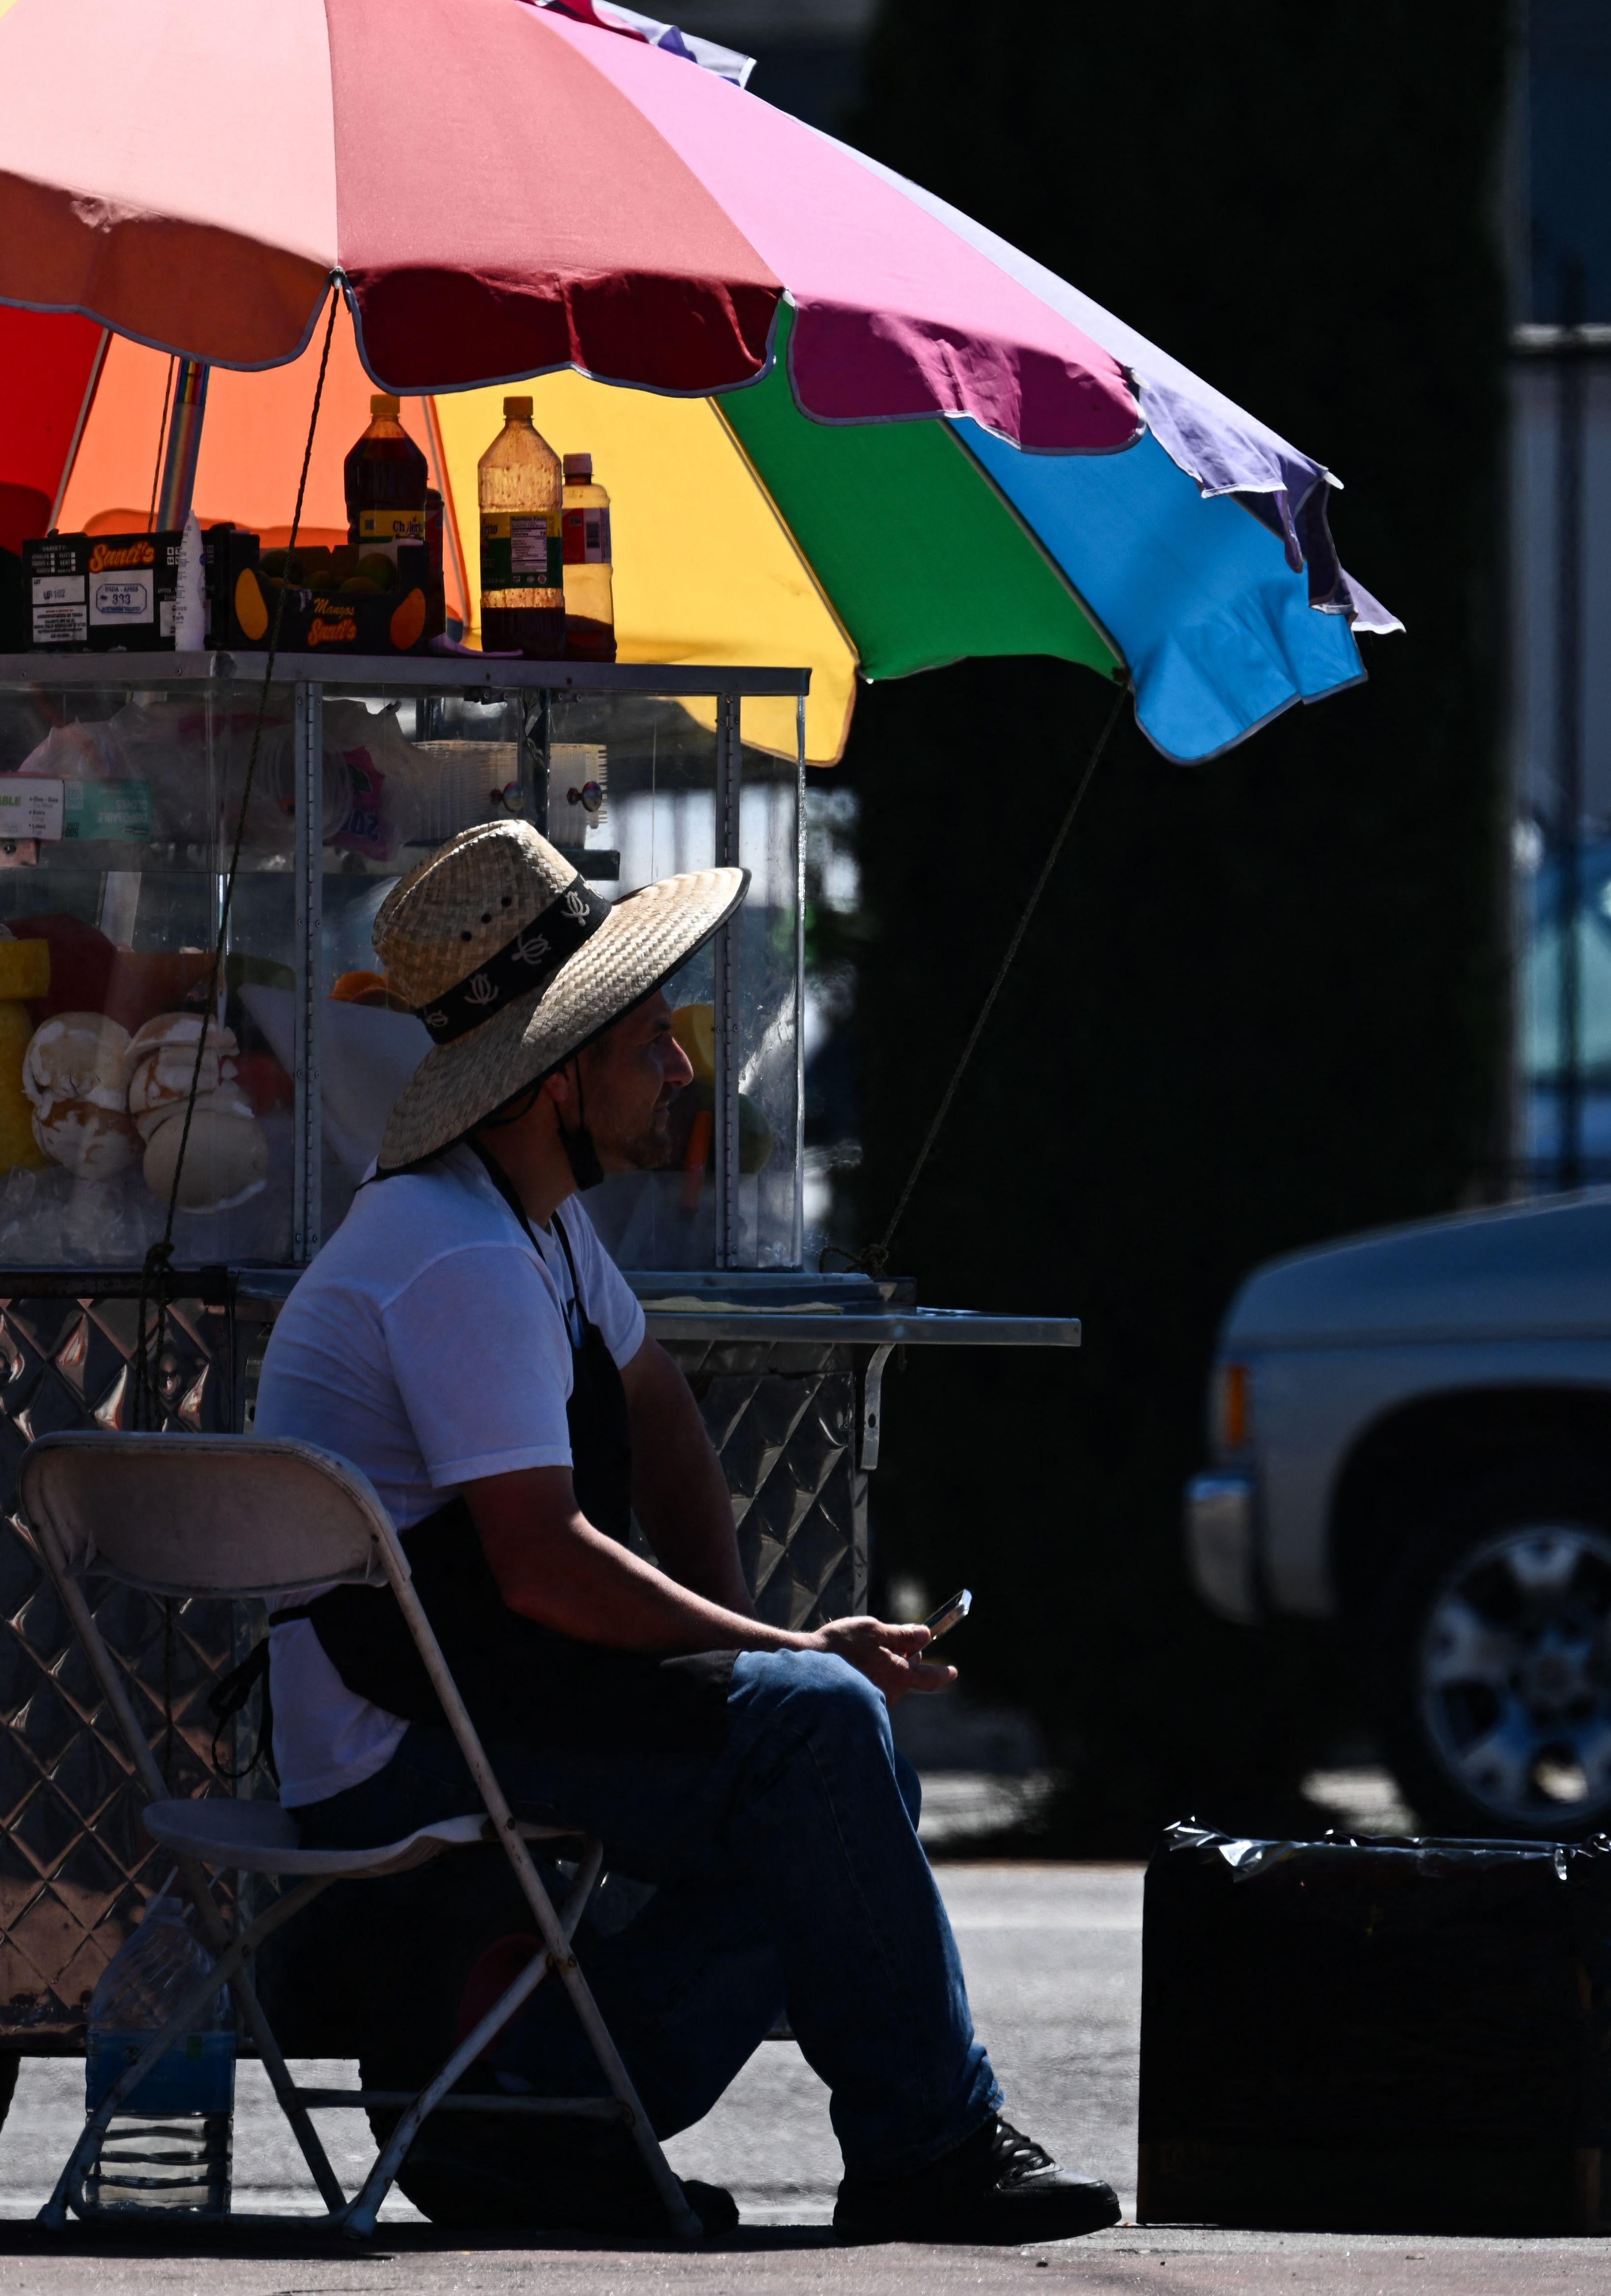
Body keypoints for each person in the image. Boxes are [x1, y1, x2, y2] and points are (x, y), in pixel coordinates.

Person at [254, 818, 1119, 2245]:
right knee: (822, 1730)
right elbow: (540, 1563)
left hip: (477, 1685)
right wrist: (779, 1658)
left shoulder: (532, 1220)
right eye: (647, 1035)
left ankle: (525, 2114)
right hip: (397, 1744)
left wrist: (735, 1687)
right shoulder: (456, 1254)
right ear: (551, 1073)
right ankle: (925, 2146)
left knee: (813, 1750)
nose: (678, 1066)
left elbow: (657, 1412)